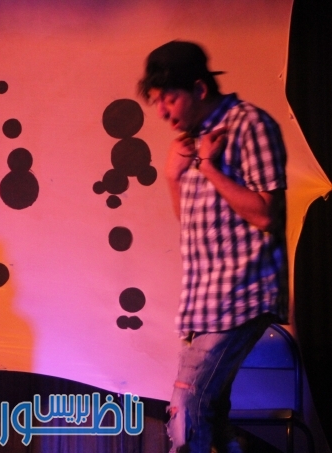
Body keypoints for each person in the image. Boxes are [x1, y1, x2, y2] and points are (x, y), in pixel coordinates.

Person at [138, 41, 288, 452]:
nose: (162, 111)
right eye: (157, 102)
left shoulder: (249, 124)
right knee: (213, 418)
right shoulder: (193, 140)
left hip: (241, 292)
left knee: (187, 410)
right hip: (203, 300)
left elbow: (267, 215)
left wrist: (208, 167)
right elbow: (191, 225)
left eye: (169, 99)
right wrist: (174, 176)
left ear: (200, 89)